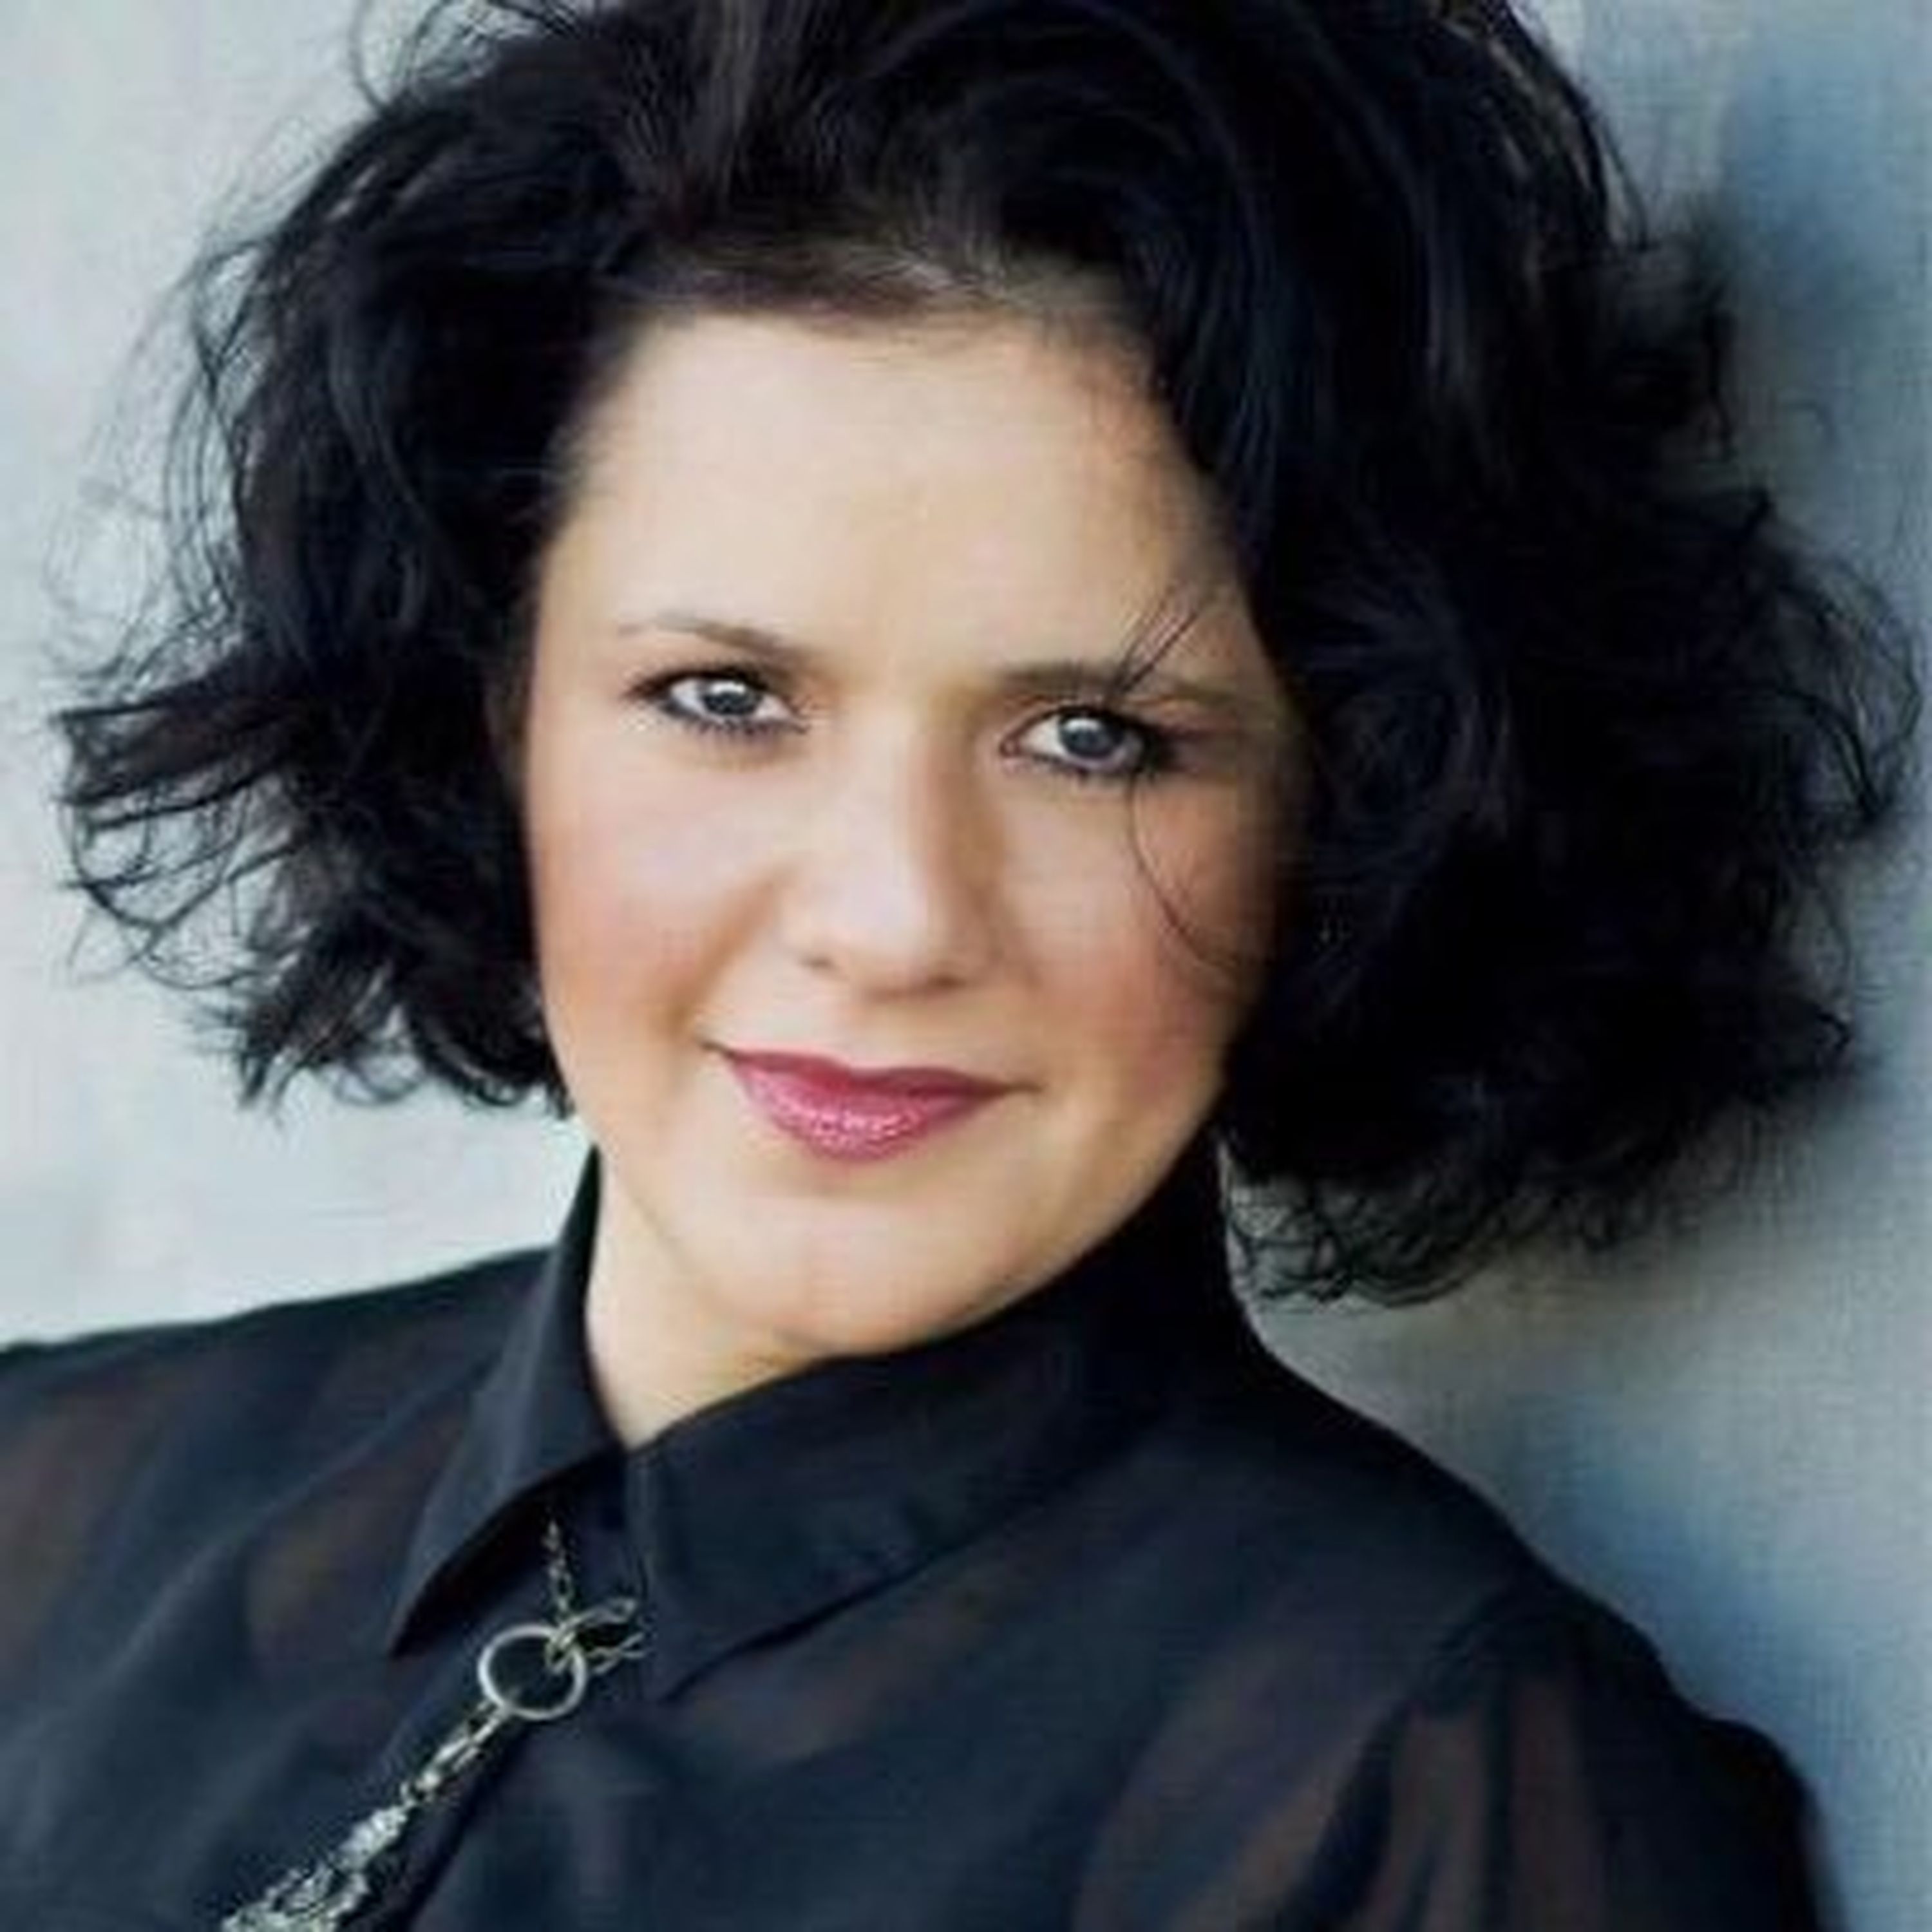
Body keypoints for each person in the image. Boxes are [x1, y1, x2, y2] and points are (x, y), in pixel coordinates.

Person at [1, 0, 1911, 1925]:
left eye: (1094, 738)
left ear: (1347, 803)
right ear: (493, 712)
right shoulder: (47, 1491)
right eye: (725, 698)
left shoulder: (1427, 1784)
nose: (895, 917)